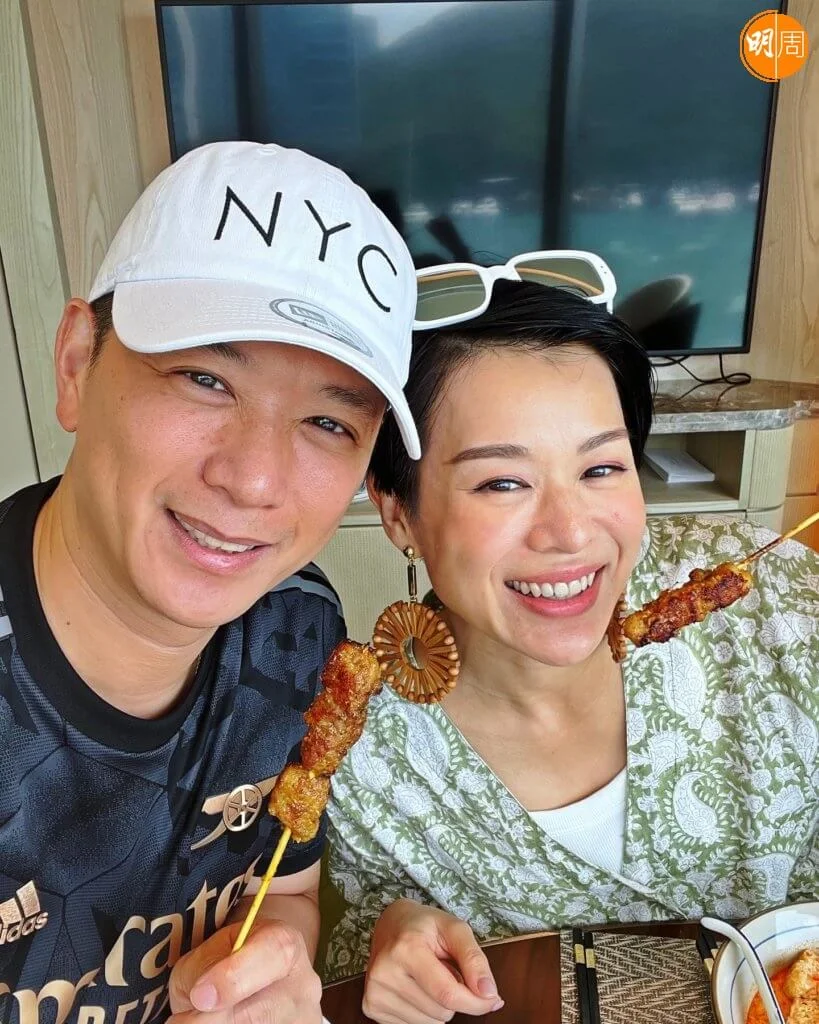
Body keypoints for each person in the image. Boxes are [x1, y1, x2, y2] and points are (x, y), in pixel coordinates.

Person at [0, 141, 420, 1024]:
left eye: (327, 422)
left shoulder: (296, 628)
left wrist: (269, 963)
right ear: (76, 363)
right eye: (204, 378)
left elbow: (281, 890)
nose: (255, 480)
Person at [323, 275, 819, 1023]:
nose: (569, 532)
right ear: (398, 513)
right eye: (501, 482)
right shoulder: (362, 756)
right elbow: (359, 955)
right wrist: (386, 947)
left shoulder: (769, 599)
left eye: (601, 469)